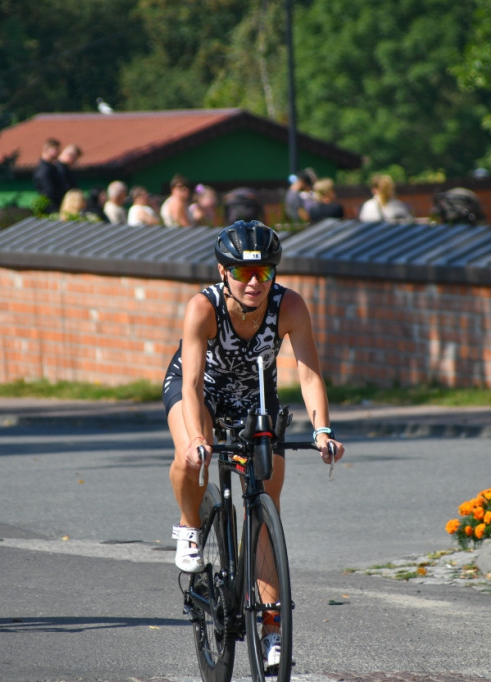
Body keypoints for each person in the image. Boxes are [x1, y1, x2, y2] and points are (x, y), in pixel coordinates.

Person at [162, 220, 345, 667]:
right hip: (198, 389)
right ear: (223, 272)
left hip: (255, 395)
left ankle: (270, 632)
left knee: (266, 505)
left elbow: (308, 373)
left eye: (264, 273)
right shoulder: (203, 308)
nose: (254, 283)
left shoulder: (290, 306)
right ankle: (189, 525)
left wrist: (323, 431)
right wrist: (200, 438)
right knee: (191, 456)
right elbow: (190, 386)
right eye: (243, 274)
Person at [32, 138, 63, 209]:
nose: (58, 152)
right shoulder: (44, 169)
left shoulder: (52, 167)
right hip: (51, 206)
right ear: (46, 149)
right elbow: (48, 191)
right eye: (55, 149)